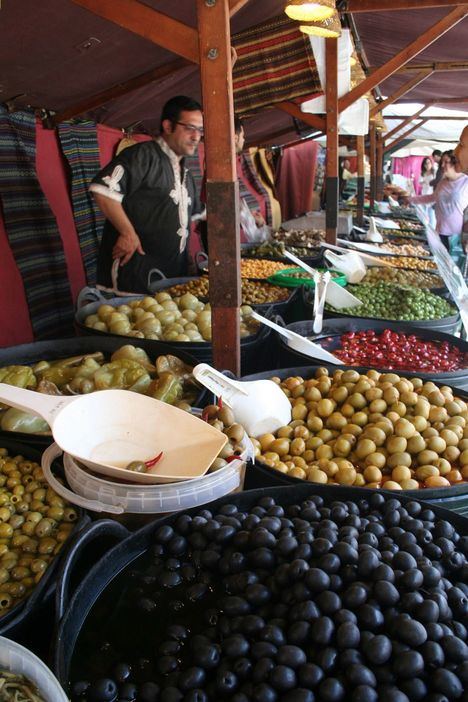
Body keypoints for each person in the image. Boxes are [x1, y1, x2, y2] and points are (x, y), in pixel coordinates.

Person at [90, 95, 204, 293]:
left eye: (200, 130)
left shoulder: (185, 173)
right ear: (168, 126)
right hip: (134, 276)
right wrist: (127, 232)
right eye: (189, 128)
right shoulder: (143, 156)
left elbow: (195, 216)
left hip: (171, 279)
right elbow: (103, 189)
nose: (196, 137)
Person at [409, 150, 468, 265]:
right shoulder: (442, 183)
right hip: (440, 233)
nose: (442, 165)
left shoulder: (466, 182)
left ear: (455, 162)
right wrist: (410, 199)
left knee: (454, 271)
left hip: (457, 238)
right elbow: (432, 197)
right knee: (439, 268)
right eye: (442, 162)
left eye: (446, 162)